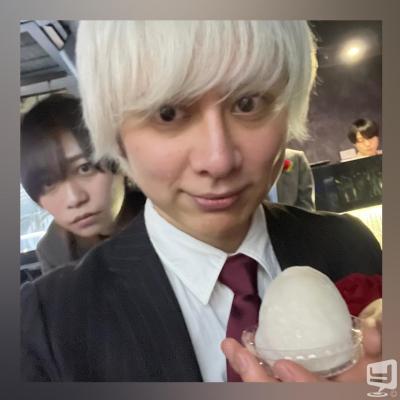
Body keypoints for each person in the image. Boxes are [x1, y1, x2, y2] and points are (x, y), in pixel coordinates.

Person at [21, 21, 382, 382]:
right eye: (167, 113)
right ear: (115, 133)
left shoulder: (349, 245)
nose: (218, 160)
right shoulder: (48, 324)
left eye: (247, 103)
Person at [20, 93, 146, 274]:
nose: (74, 199)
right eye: (48, 182)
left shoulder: (167, 212)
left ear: (119, 161)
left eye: (85, 168)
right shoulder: (55, 250)